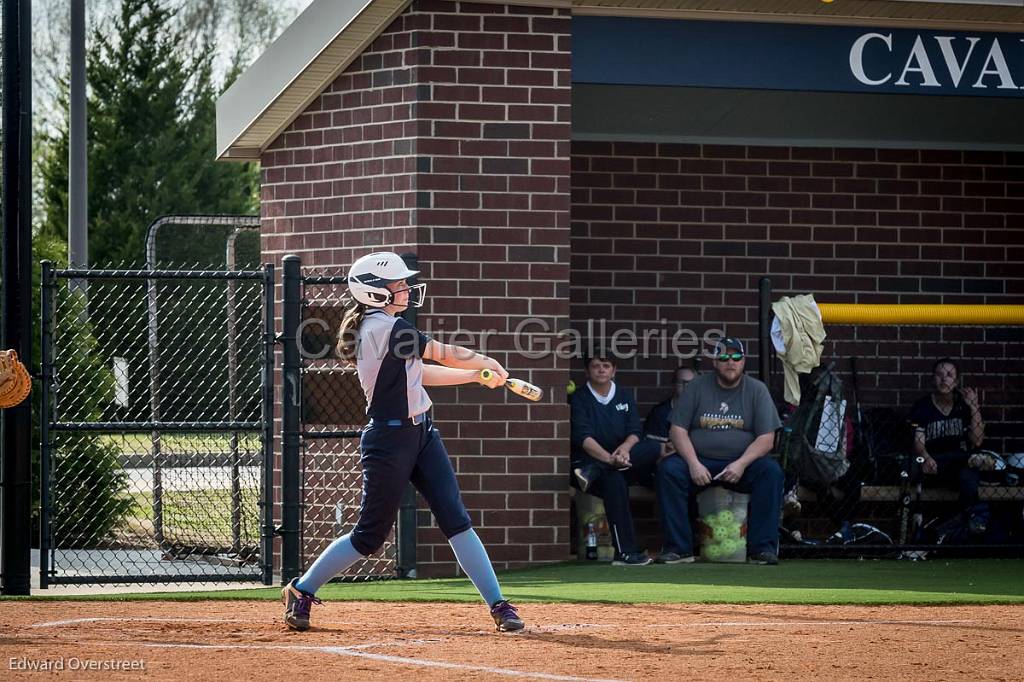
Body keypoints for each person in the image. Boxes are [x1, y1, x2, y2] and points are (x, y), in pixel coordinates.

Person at [281, 251, 524, 633]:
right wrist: (485, 361)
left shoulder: (393, 327)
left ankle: (499, 605)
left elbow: (421, 372)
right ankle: (303, 589)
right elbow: (440, 353)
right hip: (389, 440)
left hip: (422, 434)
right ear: (374, 293)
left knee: (456, 520)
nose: (407, 289)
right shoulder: (381, 328)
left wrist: (476, 376)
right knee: (369, 535)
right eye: (397, 284)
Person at [658, 338, 784, 565]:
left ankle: (761, 549)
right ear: (715, 362)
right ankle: (679, 549)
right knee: (669, 470)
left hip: (741, 464)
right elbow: (677, 430)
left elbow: (767, 439)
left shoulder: (757, 390)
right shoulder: (696, 386)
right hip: (700, 462)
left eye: (736, 357)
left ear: (743, 361)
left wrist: (741, 463)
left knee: (770, 472)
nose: (730, 362)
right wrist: (694, 463)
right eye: (724, 357)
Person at [570, 355, 661, 566]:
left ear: (614, 370)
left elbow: (635, 431)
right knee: (615, 481)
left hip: (619, 462)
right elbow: (583, 438)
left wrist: (626, 450)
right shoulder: (579, 398)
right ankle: (625, 553)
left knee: (652, 448)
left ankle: (596, 470)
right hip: (592, 459)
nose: (601, 370)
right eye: (595, 366)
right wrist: (610, 460)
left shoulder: (623, 395)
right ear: (587, 371)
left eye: (606, 366)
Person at [909, 357, 986, 530]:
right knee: (915, 466)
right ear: (932, 379)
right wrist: (926, 457)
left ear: (956, 381)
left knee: (969, 475)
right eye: (939, 374)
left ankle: (964, 526)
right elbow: (918, 442)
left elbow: (977, 440)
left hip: (959, 462)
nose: (944, 379)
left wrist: (974, 407)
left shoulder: (963, 405)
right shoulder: (922, 406)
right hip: (933, 462)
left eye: (950, 375)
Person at [643, 361, 699, 459]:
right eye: (681, 382)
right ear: (674, 384)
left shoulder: (704, 409)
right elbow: (655, 449)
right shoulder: (660, 412)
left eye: (690, 383)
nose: (686, 386)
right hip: (669, 460)